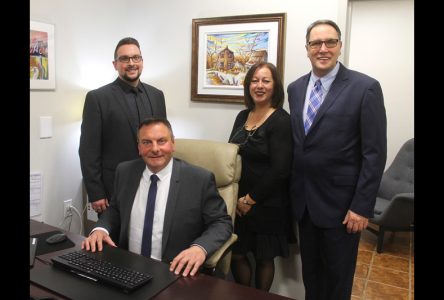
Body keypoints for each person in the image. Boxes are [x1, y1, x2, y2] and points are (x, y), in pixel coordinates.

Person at [287, 19, 387, 300]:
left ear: (340, 46)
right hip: (305, 204)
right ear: (306, 48)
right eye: (315, 43)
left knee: (337, 282)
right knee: (312, 277)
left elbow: (374, 153)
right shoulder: (295, 89)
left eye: (330, 42)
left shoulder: (365, 88)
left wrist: (361, 206)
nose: (323, 49)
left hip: (343, 208)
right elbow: (302, 145)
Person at [81, 117, 232, 277]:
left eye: (161, 141)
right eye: (146, 142)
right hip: (127, 267)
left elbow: (221, 223)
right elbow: (115, 210)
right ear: (139, 147)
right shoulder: (125, 171)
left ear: (172, 144)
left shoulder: (199, 179)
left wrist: (199, 248)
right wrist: (100, 229)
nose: (155, 149)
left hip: (174, 271)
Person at [79, 37, 167, 217]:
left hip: (154, 184)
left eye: (136, 58)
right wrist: (96, 193)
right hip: (114, 190)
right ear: (115, 64)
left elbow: (163, 141)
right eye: (125, 59)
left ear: (142, 61)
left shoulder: (157, 95)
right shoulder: (98, 98)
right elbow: (88, 151)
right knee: (115, 242)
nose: (131, 63)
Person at [228, 62, 293, 291]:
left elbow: (281, 170)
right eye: (254, 81)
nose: (259, 86)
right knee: (236, 254)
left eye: (266, 80)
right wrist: (236, 198)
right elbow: (231, 154)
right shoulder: (242, 115)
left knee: (264, 259)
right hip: (237, 202)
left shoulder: (281, 120)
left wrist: (250, 200)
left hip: (266, 203)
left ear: (275, 86)